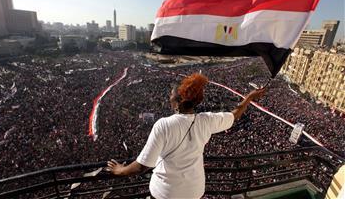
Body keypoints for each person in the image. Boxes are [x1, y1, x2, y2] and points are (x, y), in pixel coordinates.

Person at [106, 73, 266, 199]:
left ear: (178, 100)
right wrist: (250, 97)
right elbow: (235, 114)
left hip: (166, 193)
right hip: (194, 191)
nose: (169, 97)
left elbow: (142, 166)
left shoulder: (163, 125)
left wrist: (120, 170)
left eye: (171, 94)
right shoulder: (207, 120)